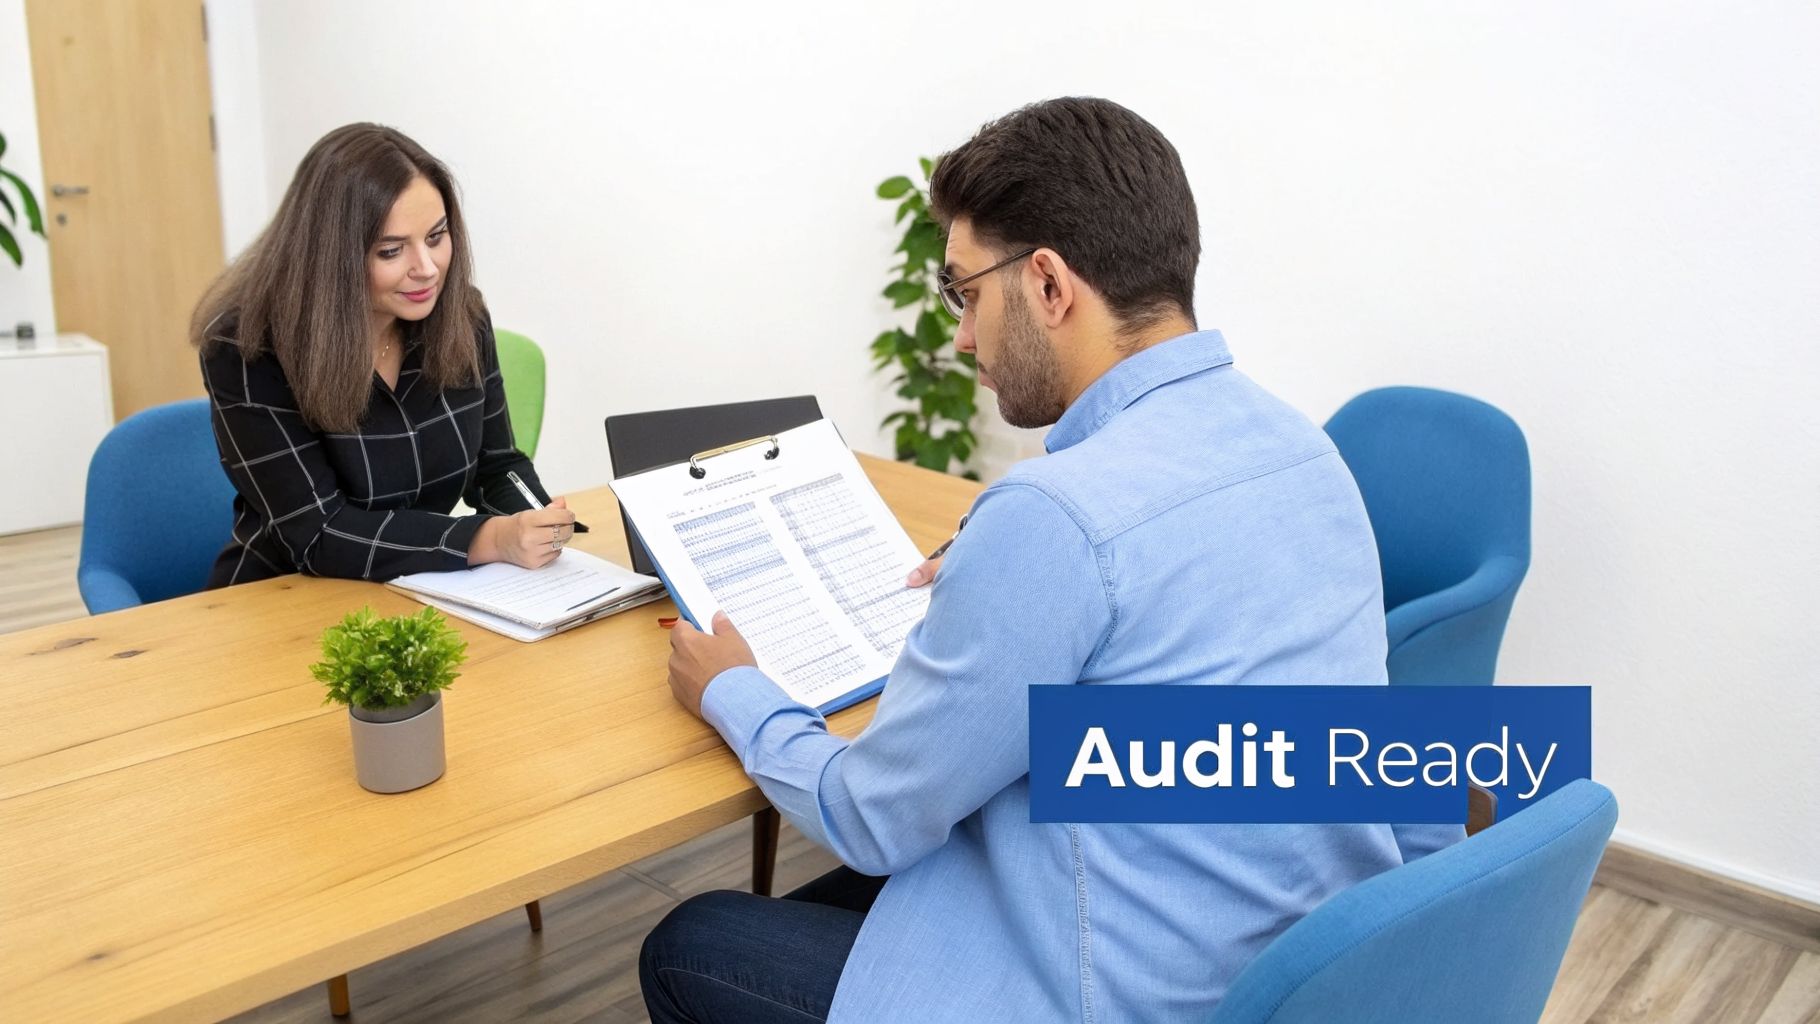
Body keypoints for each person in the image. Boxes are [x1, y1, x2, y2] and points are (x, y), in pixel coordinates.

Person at [645, 97, 1460, 1023]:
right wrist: (1011, 575)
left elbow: (871, 818)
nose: (959, 336)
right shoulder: (1303, 451)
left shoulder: (1055, 519)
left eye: (965, 292)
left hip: (1127, 996)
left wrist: (733, 690)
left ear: (1047, 285)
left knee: (690, 943)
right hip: (1299, 969)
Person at [191, 123, 575, 587]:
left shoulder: (462, 317)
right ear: (330, 256)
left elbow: (495, 466)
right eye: (391, 251)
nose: (427, 269)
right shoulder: (246, 348)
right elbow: (317, 532)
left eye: (436, 237)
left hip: (421, 589)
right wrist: (488, 539)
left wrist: (536, 518)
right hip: (284, 595)